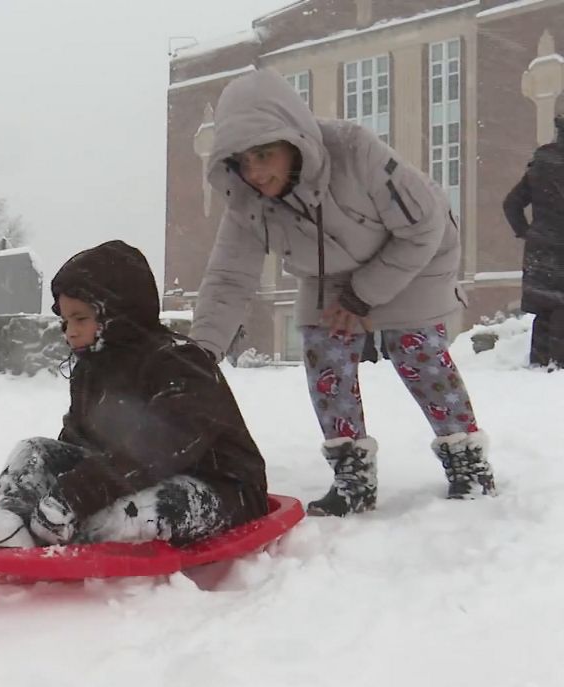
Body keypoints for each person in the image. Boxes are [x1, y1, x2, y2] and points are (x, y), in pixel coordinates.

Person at [190, 69, 495, 516]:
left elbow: (423, 226)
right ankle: (352, 476)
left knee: (415, 349)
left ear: (292, 141)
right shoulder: (247, 202)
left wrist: (364, 295)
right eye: (241, 160)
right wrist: (201, 352)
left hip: (415, 250)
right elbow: (228, 279)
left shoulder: (354, 150)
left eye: (263, 154)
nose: (254, 172)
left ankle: (467, 463)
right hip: (328, 267)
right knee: (323, 353)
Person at [0, 240, 269, 549]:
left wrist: (77, 494)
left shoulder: (180, 362)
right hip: (130, 477)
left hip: (217, 487)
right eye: (64, 321)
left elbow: (159, 447)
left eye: (80, 318)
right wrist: (53, 482)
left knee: (145, 512)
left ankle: (43, 535)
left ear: (116, 314)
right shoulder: (92, 366)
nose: (70, 332)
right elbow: (80, 440)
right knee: (35, 450)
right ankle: (7, 524)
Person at [503, 113, 564, 369]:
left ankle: (539, 362)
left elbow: (511, 204)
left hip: (540, 247)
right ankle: (558, 365)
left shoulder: (542, 163)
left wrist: (526, 231)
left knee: (545, 305)